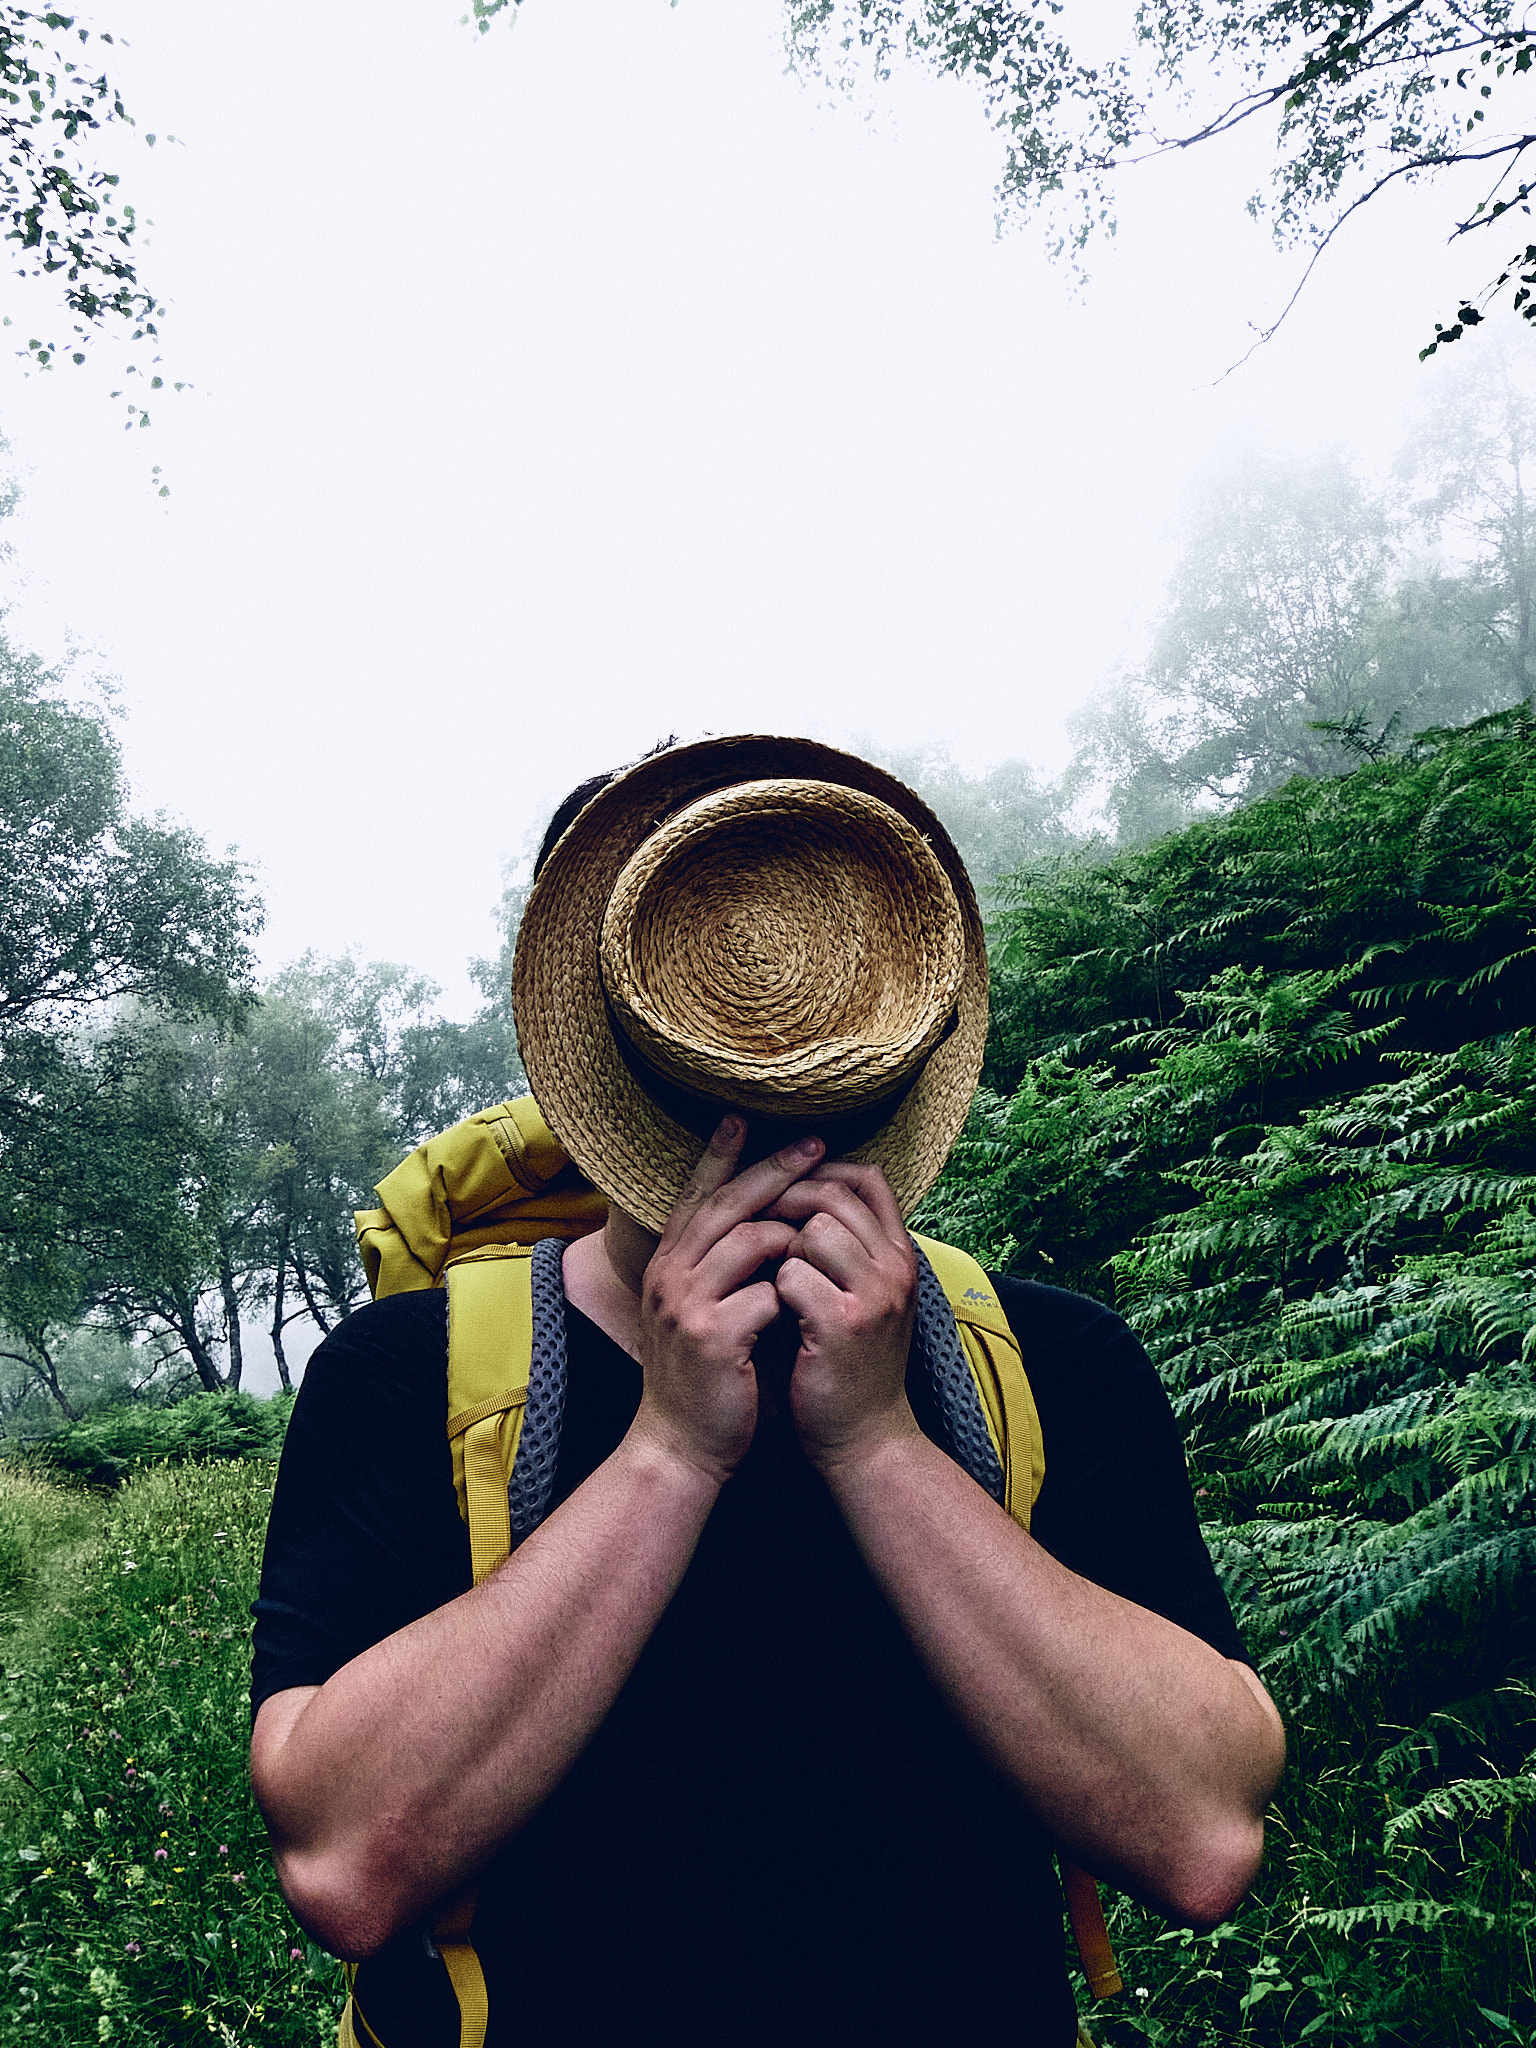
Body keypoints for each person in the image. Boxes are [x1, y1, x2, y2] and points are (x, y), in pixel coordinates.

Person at [249, 735, 1285, 2048]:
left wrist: (880, 1445)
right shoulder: (413, 1380)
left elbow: (1200, 1837)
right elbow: (346, 1866)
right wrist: (670, 1450)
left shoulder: (1046, 1363)